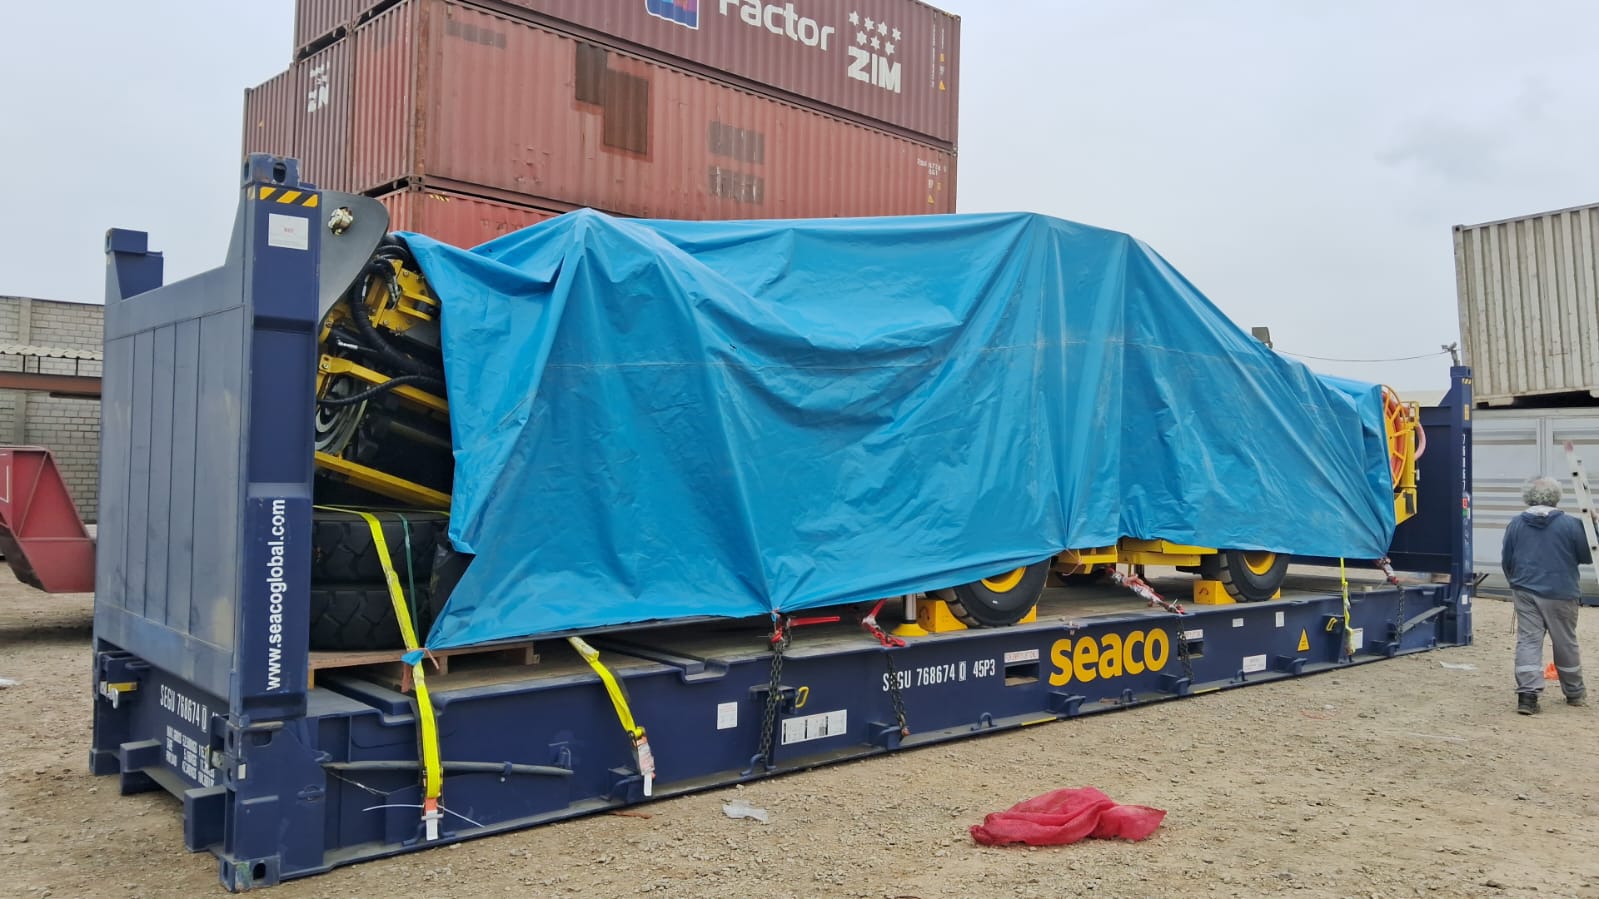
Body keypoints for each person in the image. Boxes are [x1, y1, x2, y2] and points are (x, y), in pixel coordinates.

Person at [1501, 476, 1589, 714]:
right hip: (1562, 591)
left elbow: (1507, 559)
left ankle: (1527, 697)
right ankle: (1574, 693)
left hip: (1525, 590)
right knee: (1565, 641)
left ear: (1528, 496)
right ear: (1557, 497)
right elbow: (1588, 555)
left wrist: (1515, 583)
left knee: (1528, 641)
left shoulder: (1516, 524)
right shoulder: (1572, 525)